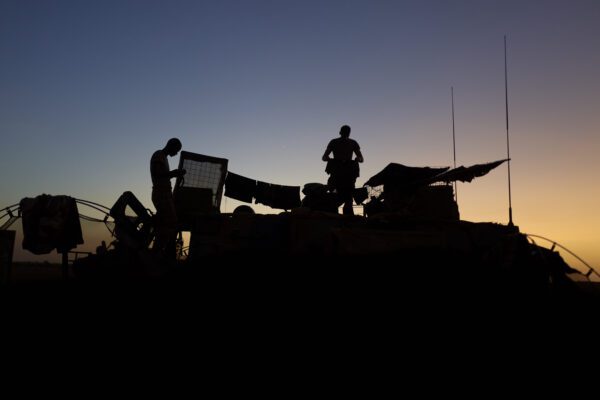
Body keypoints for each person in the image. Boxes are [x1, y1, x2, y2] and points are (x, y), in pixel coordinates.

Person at [150, 138, 186, 260]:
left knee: (166, 224)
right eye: (176, 150)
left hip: (165, 195)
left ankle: (158, 252)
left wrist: (174, 174)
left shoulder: (163, 158)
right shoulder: (158, 155)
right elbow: (157, 174)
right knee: (170, 224)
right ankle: (157, 253)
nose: (176, 153)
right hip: (161, 195)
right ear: (171, 146)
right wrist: (174, 173)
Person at [322, 125, 364, 215]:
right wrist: (330, 160)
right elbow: (324, 157)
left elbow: (361, 159)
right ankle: (335, 215)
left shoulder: (352, 143)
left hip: (347, 173)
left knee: (347, 196)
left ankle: (345, 217)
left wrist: (357, 159)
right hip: (338, 172)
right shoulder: (336, 142)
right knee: (337, 194)